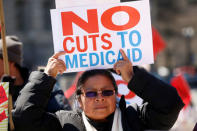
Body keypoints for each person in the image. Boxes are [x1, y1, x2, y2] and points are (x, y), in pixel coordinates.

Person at [12, 49, 184, 131]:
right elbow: (24, 117)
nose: (99, 97)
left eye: (107, 92)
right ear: (79, 99)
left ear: (116, 94)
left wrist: (133, 76)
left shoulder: (135, 119)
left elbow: (170, 105)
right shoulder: (64, 123)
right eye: (91, 93)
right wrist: (47, 76)